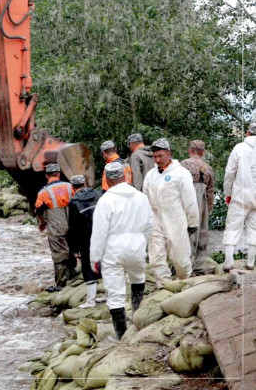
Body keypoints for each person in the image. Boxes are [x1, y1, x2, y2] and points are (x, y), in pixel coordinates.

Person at [90, 161, 153, 339]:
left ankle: (122, 335)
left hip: (113, 249)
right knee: (138, 280)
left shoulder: (105, 201)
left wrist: (94, 257)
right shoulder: (141, 197)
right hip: (137, 245)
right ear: (125, 176)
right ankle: (138, 322)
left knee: (115, 294)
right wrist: (143, 243)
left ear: (107, 180)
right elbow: (150, 225)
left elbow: (99, 233)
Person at [143, 138, 199, 287]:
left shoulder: (181, 173)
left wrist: (193, 222)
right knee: (156, 256)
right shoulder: (150, 175)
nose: (157, 160)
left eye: (160, 156)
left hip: (175, 219)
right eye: (154, 157)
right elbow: (145, 197)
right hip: (155, 219)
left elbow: (190, 200)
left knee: (179, 255)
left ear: (169, 153)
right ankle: (163, 284)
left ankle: (184, 280)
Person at [35, 163, 75, 292]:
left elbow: (39, 211)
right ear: (58, 174)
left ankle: (61, 284)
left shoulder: (43, 192)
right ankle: (73, 274)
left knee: (59, 254)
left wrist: (42, 223)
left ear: (47, 175)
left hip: (56, 226)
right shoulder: (70, 186)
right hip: (73, 224)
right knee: (72, 248)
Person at [222, 122, 256, 271]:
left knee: (232, 227)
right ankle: (250, 263)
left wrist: (228, 194)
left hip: (241, 195)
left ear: (248, 133)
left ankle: (229, 263)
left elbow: (230, 173)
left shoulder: (239, 148)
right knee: (254, 229)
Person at [180, 140, 215, 275]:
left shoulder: (182, 165)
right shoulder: (207, 168)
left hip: (185, 200)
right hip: (202, 200)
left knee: (186, 231)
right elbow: (210, 191)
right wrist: (209, 208)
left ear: (190, 150)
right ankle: (200, 266)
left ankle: (185, 265)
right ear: (203, 152)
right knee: (202, 232)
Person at [67, 175, 101, 308]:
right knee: (106, 265)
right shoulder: (99, 195)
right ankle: (109, 296)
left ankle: (91, 301)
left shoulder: (74, 201)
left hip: (85, 239)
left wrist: (74, 249)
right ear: (85, 183)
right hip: (102, 235)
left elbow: (73, 227)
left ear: (72, 187)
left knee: (87, 267)